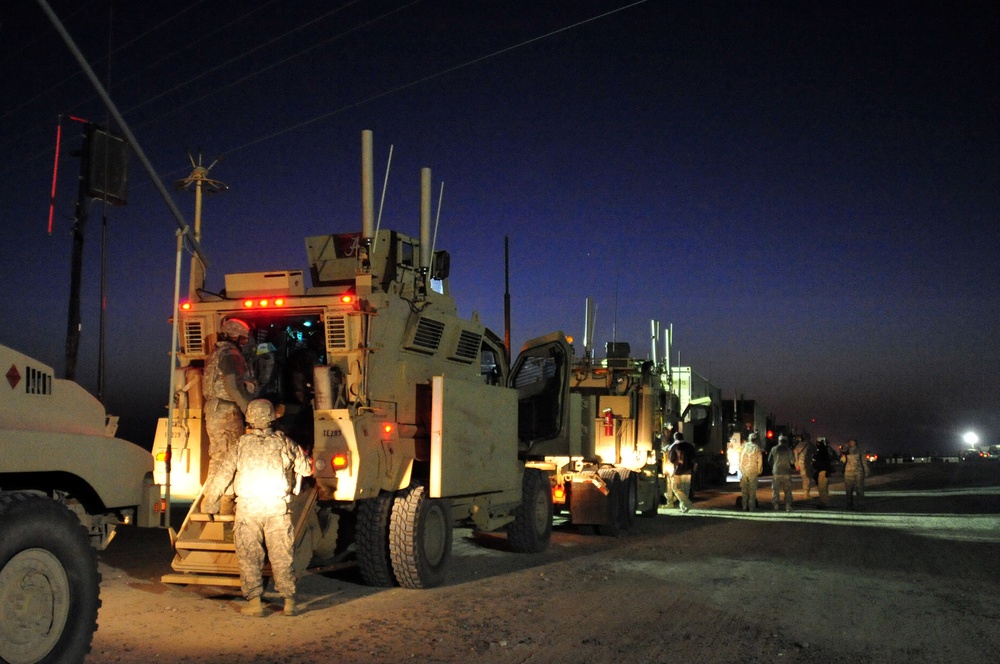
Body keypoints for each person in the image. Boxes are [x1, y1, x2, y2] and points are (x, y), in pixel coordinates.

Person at [202, 399, 313, 617]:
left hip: (248, 509)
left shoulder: (241, 445)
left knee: (249, 556)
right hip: (276, 507)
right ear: (272, 417)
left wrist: (211, 502)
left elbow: (222, 474)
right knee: (282, 555)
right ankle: (289, 602)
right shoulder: (284, 443)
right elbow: (306, 469)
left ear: (250, 418)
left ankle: (255, 603)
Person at [201, 318, 256, 514]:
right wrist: (248, 409)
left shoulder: (216, 353)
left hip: (215, 410)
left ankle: (214, 501)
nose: (245, 342)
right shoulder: (231, 355)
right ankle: (220, 502)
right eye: (242, 338)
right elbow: (233, 384)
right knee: (228, 458)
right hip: (226, 411)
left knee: (219, 456)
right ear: (234, 336)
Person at [667, 432, 696, 513]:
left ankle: (687, 504)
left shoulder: (674, 447)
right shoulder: (690, 446)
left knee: (675, 488)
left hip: (678, 471)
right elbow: (694, 457)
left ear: (675, 438)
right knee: (685, 490)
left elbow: (672, 459)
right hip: (688, 470)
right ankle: (683, 508)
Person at [840, 438, 871, 510]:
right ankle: (849, 505)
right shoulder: (846, 451)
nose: (850, 442)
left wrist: (866, 470)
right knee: (848, 490)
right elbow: (842, 461)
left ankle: (861, 505)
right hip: (848, 472)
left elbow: (864, 461)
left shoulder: (860, 450)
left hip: (858, 472)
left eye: (852, 441)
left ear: (855, 442)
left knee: (859, 489)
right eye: (849, 441)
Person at [768, 434, 796, 511]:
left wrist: (774, 467)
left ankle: (776, 505)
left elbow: (769, 460)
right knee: (787, 490)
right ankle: (788, 506)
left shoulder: (774, 449)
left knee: (775, 490)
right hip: (786, 472)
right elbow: (793, 461)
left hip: (777, 472)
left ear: (778, 440)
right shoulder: (788, 450)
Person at [738, 432, 763, 511]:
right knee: (752, 490)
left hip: (744, 470)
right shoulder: (756, 448)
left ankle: (744, 507)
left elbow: (741, 458)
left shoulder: (744, 447)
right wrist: (759, 470)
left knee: (744, 490)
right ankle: (751, 507)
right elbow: (760, 460)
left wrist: (741, 469)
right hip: (753, 470)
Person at [812, 438, 833, 507]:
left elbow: (820, 462)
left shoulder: (821, 451)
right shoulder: (825, 450)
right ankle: (824, 503)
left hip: (822, 471)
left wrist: (814, 461)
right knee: (824, 489)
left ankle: (824, 503)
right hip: (824, 471)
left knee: (822, 489)